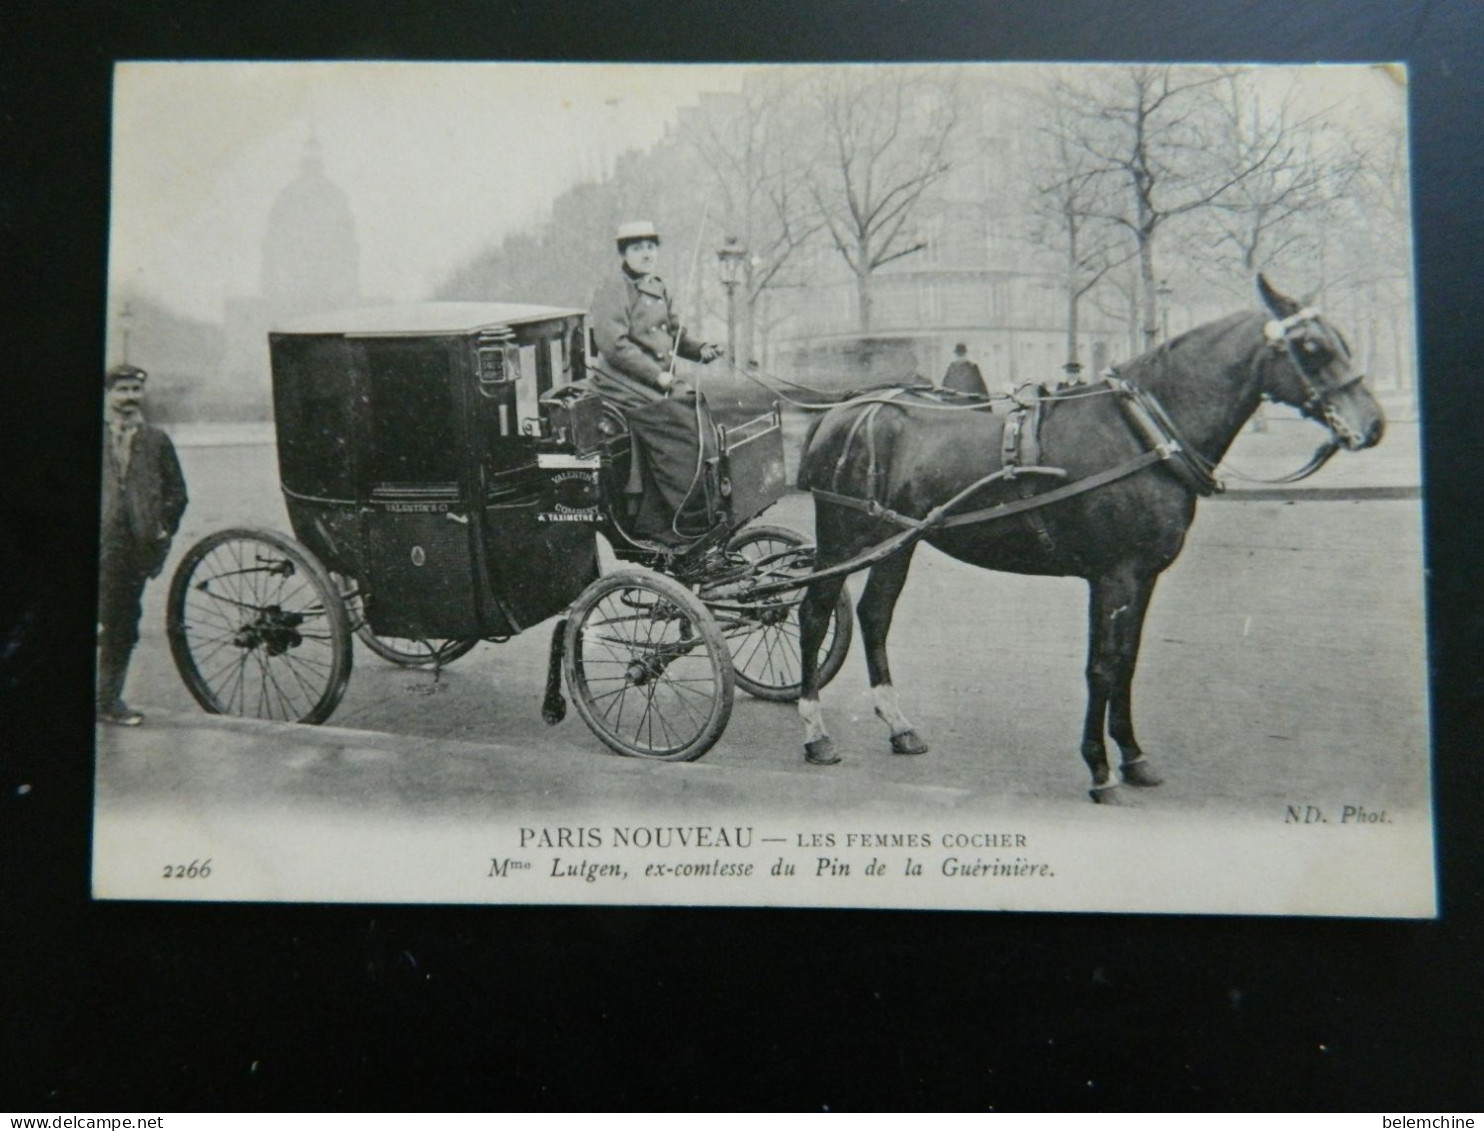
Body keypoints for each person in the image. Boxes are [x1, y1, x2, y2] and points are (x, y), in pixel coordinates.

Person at [588, 220, 723, 546]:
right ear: (625, 253)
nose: (646, 254)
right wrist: (658, 375)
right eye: (637, 248)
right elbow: (614, 346)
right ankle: (670, 520)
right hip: (619, 382)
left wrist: (700, 348)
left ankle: (701, 507)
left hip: (653, 380)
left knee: (696, 409)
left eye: (650, 247)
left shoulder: (658, 285)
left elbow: (674, 335)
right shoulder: (614, 287)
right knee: (681, 426)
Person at [98, 363, 188, 725]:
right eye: (122, 390)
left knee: (122, 624)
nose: (130, 398)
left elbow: (177, 493)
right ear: (108, 394)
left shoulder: (155, 440)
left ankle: (106, 701)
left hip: (132, 548)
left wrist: (161, 529)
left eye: (136, 390)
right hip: (100, 545)